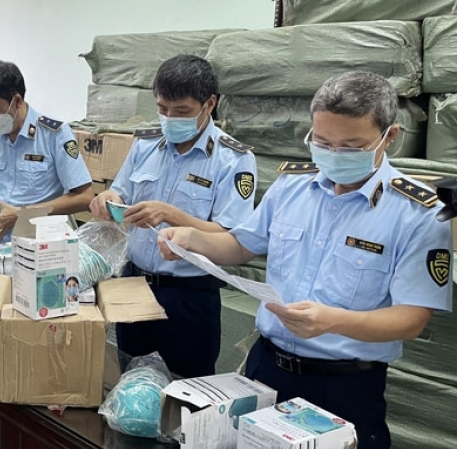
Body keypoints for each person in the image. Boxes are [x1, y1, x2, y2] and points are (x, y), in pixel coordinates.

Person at [158, 71, 452, 449]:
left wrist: (335, 321)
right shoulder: (292, 186)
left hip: (344, 386)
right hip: (267, 370)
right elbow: (241, 246)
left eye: (351, 147)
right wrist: (193, 239)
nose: (334, 155)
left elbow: (412, 318)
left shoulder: (418, 214)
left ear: (389, 136)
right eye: (323, 143)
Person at [89, 54, 257, 378]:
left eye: (181, 111)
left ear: (209, 104)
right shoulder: (146, 144)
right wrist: (108, 200)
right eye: (162, 109)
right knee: (130, 385)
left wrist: (171, 214)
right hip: (134, 285)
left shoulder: (233, 159)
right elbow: (120, 193)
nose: (169, 119)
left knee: (184, 393)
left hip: (188, 298)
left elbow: (231, 236)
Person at [0, 61, 93, 242]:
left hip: (41, 245)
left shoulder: (55, 134)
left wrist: (22, 215)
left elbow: (85, 197)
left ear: (17, 101)